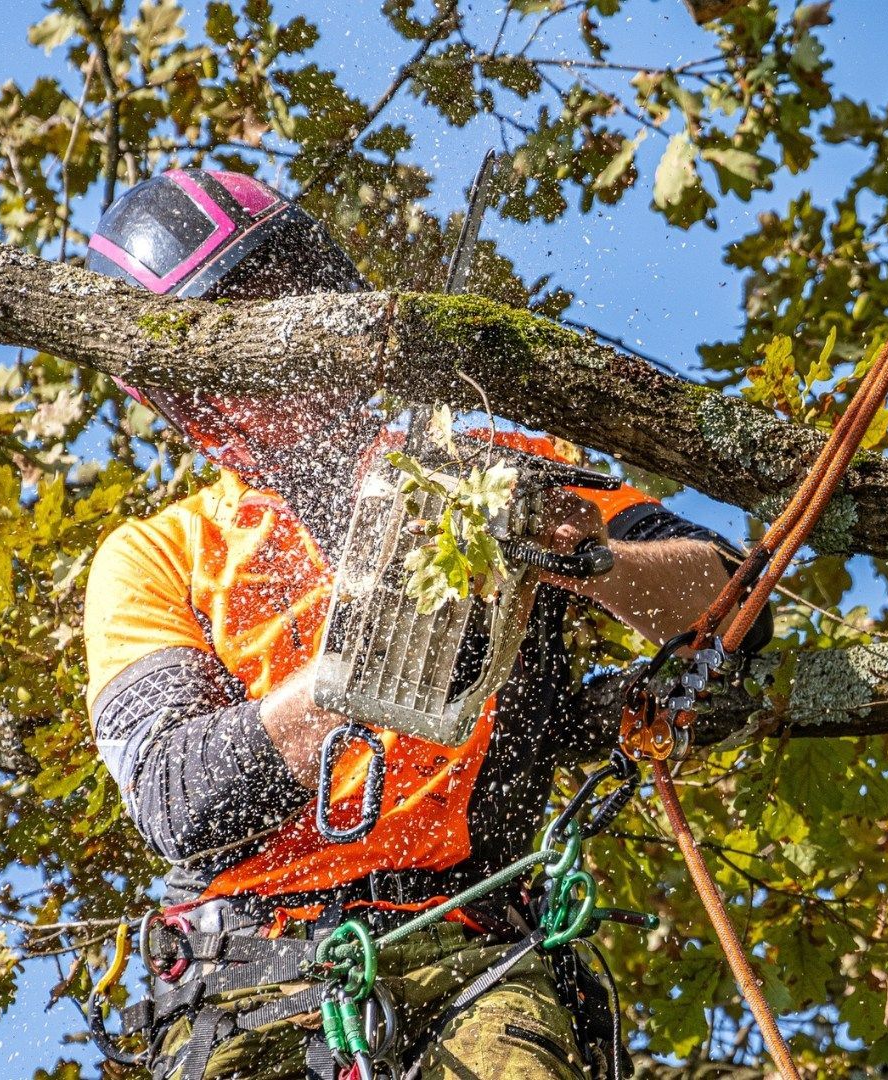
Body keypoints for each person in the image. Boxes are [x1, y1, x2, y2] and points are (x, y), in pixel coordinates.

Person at [82, 169, 772, 1080]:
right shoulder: (160, 554)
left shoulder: (494, 468)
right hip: (247, 972)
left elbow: (733, 605)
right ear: (186, 391)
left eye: (282, 308)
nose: (274, 357)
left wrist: (580, 552)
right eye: (232, 336)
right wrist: (348, 678)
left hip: (480, 945)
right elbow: (179, 798)